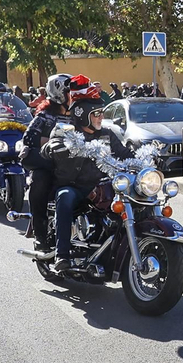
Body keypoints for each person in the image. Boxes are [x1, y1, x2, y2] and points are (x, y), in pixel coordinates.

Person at [43, 96, 135, 275]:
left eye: (102, 113)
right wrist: (54, 147)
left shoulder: (107, 134)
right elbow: (48, 147)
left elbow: (124, 153)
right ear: (83, 115)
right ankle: (62, 254)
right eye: (96, 113)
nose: (101, 117)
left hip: (104, 186)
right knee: (64, 196)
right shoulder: (68, 133)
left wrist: (144, 159)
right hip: (75, 186)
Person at [16, 73, 89, 239]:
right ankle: (40, 233)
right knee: (39, 181)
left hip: (77, 164)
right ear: (59, 94)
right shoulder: (46, 115)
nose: (75, 96)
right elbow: (29, 138)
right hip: (51, 163)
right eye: (70, 92)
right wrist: (58, 143)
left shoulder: (80, 114)